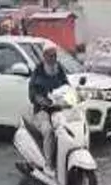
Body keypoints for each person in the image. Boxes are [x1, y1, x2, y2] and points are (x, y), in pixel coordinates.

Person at [29, 43, 70, 174]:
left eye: (55, 55)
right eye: (51, 56)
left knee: (68, 128)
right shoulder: (38, 70)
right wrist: (41, 100)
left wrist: (69, 96)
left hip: (58, 108)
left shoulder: (59, 69)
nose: (53, 58)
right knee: (48, 130)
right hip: (42, 110)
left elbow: (67, 86)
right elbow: (32, 94)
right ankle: (48, 164)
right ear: (45, 56)